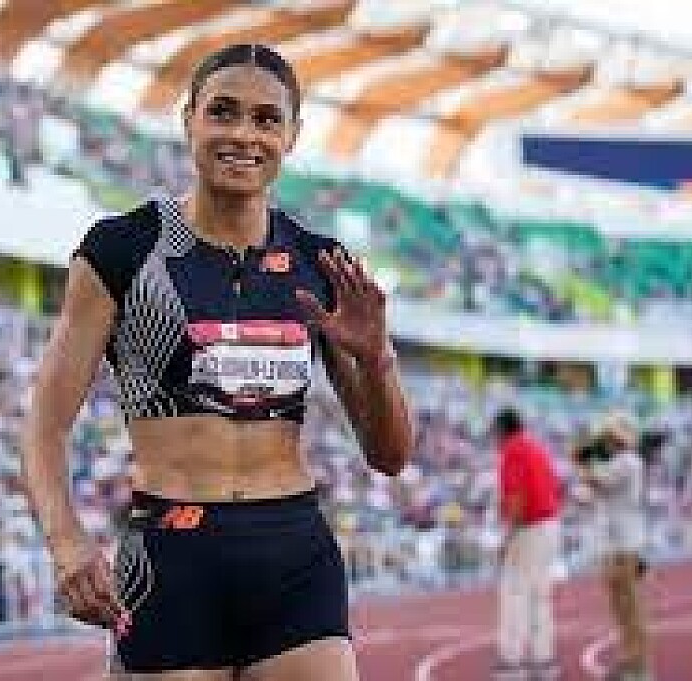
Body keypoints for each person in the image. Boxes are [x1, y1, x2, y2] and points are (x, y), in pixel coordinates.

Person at [22, 43, 414, 680]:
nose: (243, 135)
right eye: (223, 112)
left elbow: (391, 456)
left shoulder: (321, 264)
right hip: (170, 556)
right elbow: (44, 424)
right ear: (189, 120)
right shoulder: (121, 250)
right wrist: (66, 542)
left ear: (292, 135)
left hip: (293, 552)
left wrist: (377, 361)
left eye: (266, 119)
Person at [576, 412, 652, 681]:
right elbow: (591, 491)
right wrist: (588, 463)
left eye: (608, 436)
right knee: (620, 607)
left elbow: (598, 480)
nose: (604, 441)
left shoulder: (628, 461)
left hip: (624, 544)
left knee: (629, 606)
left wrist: (585, 461)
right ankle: (629, 659)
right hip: (614, 543)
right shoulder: (620, 462)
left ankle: (640, 666)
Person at [493, 407, 562, 681]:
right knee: (540, 596)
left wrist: (506, 536)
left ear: (501, 428)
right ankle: (544, 659)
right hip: (549, 523)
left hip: (528, 527)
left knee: (515, 593)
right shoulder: (536, 447)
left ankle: (512, 661)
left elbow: (516, 496)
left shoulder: (513, 450)